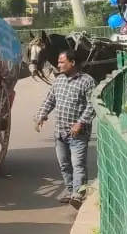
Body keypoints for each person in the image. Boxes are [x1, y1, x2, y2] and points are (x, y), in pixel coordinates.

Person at [35, 50, 96, 208]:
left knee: (78, 165)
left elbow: (92, 105)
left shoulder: (87, 81)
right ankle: (70, 191)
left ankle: (78, 194)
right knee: (64, 164)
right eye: (59, 62)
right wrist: (41, 116)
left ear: (73, 63)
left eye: (62, 62)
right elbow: (50, 99)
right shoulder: (58, 81)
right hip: (60, 132)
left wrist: (80, 123)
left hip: (78, 134)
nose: (59, 65)